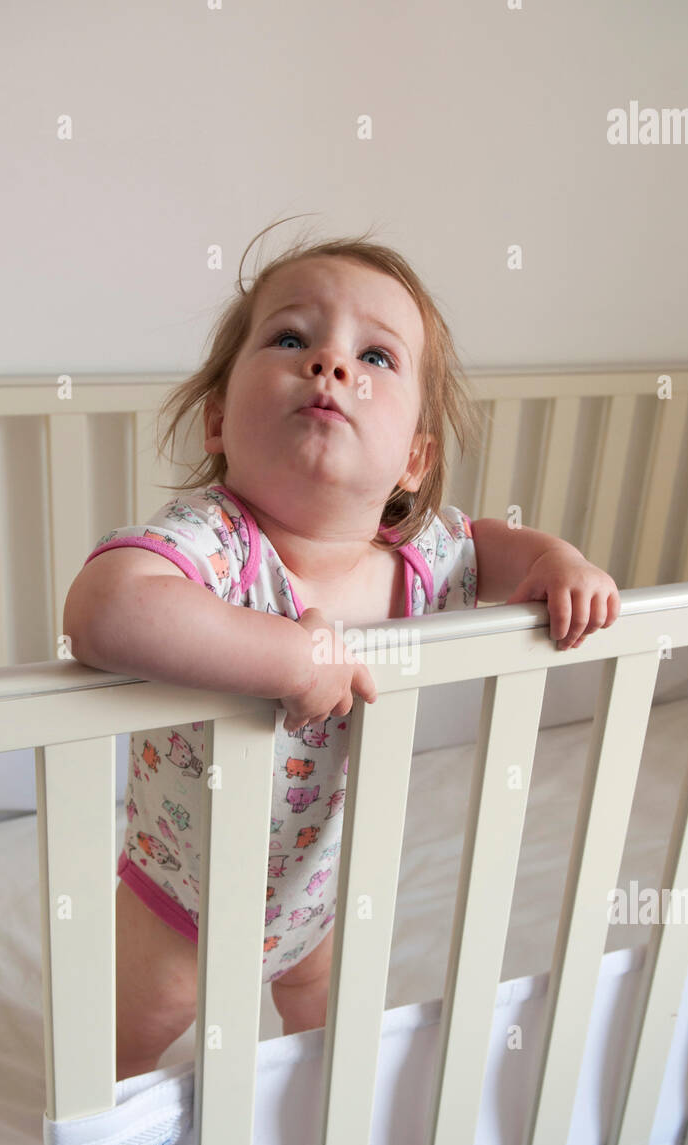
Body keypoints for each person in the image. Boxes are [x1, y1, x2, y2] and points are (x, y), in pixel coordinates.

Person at [63, 220, 620, 1080]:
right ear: (216, 419)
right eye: (292, 338)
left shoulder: (419, 559)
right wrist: (289, 657)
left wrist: (558, 562)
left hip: (318, 899)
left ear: (414, 458)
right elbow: (106, 610)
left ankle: (315, 1144)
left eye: (377, 358)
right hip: (181, 904)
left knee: (323, 1044)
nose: (331, 365)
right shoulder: (217, 542)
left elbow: (490, 545)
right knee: (114, 1056)